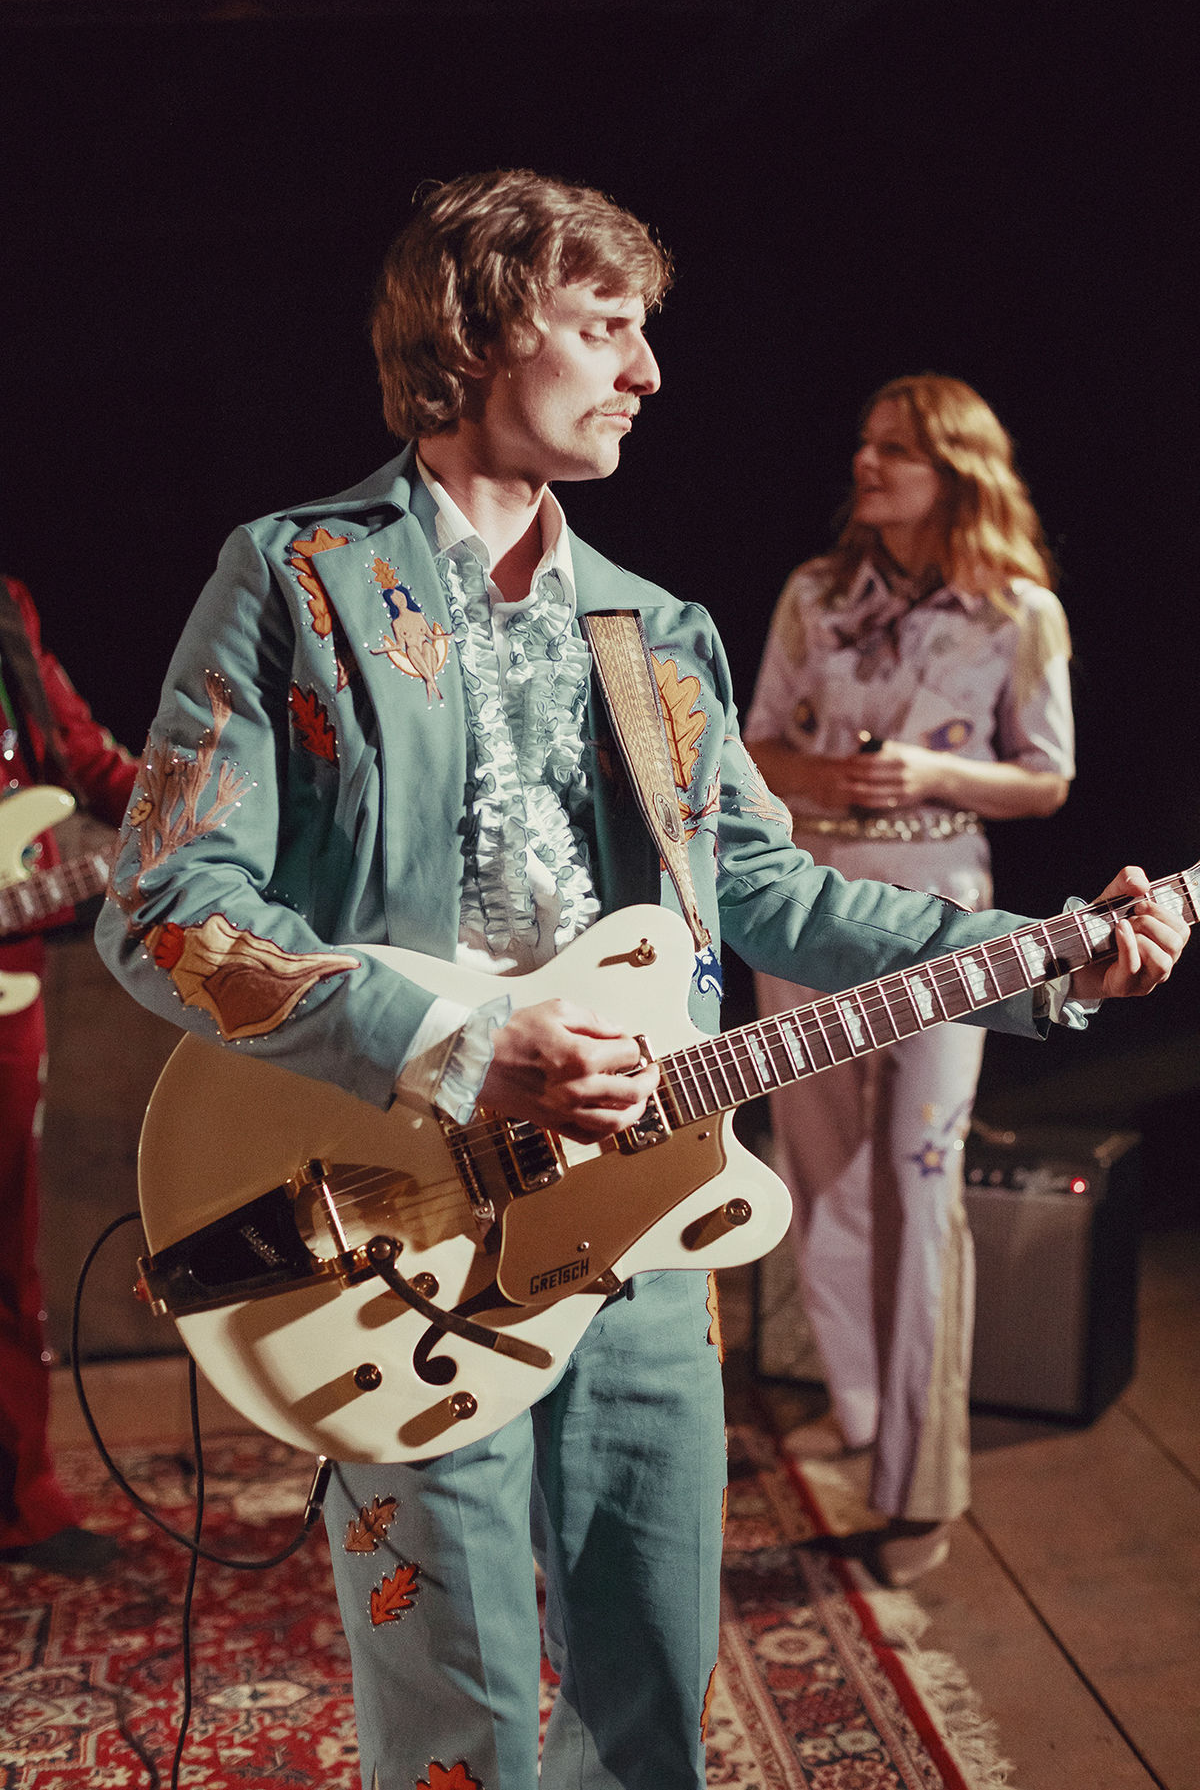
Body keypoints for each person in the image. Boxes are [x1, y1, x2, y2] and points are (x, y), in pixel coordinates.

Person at [93, 174, 1185, 1790]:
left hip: (646, 1230)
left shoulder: (654, 629)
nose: (649, 371)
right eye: (607, 328)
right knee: (460, 1720)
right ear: (478, 334)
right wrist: (463, 1040)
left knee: (648, 1703)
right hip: (401, 1234)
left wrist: (1049, 959)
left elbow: (777, 897)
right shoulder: (296, 581)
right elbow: (164, 909)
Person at [744, 374, 1076, 1587]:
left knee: (920, 1182)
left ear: (956, 468)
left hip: (945, 918)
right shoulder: (814, 594)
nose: (866, 463)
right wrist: (826, 779)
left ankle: (922, 1482)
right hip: (808, 907)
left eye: (896, 449)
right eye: (865, 443)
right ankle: (864, 1415)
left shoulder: (1019, 613)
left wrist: (937, 779)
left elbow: (1047, 776)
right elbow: (751, 745)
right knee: (820, 1172)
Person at [0, 572, 138, 1576]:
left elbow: (81, 756)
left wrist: (189, 808)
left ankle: (23, 1503)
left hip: (10, 977)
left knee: (8, 1245)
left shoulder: (7, 607)